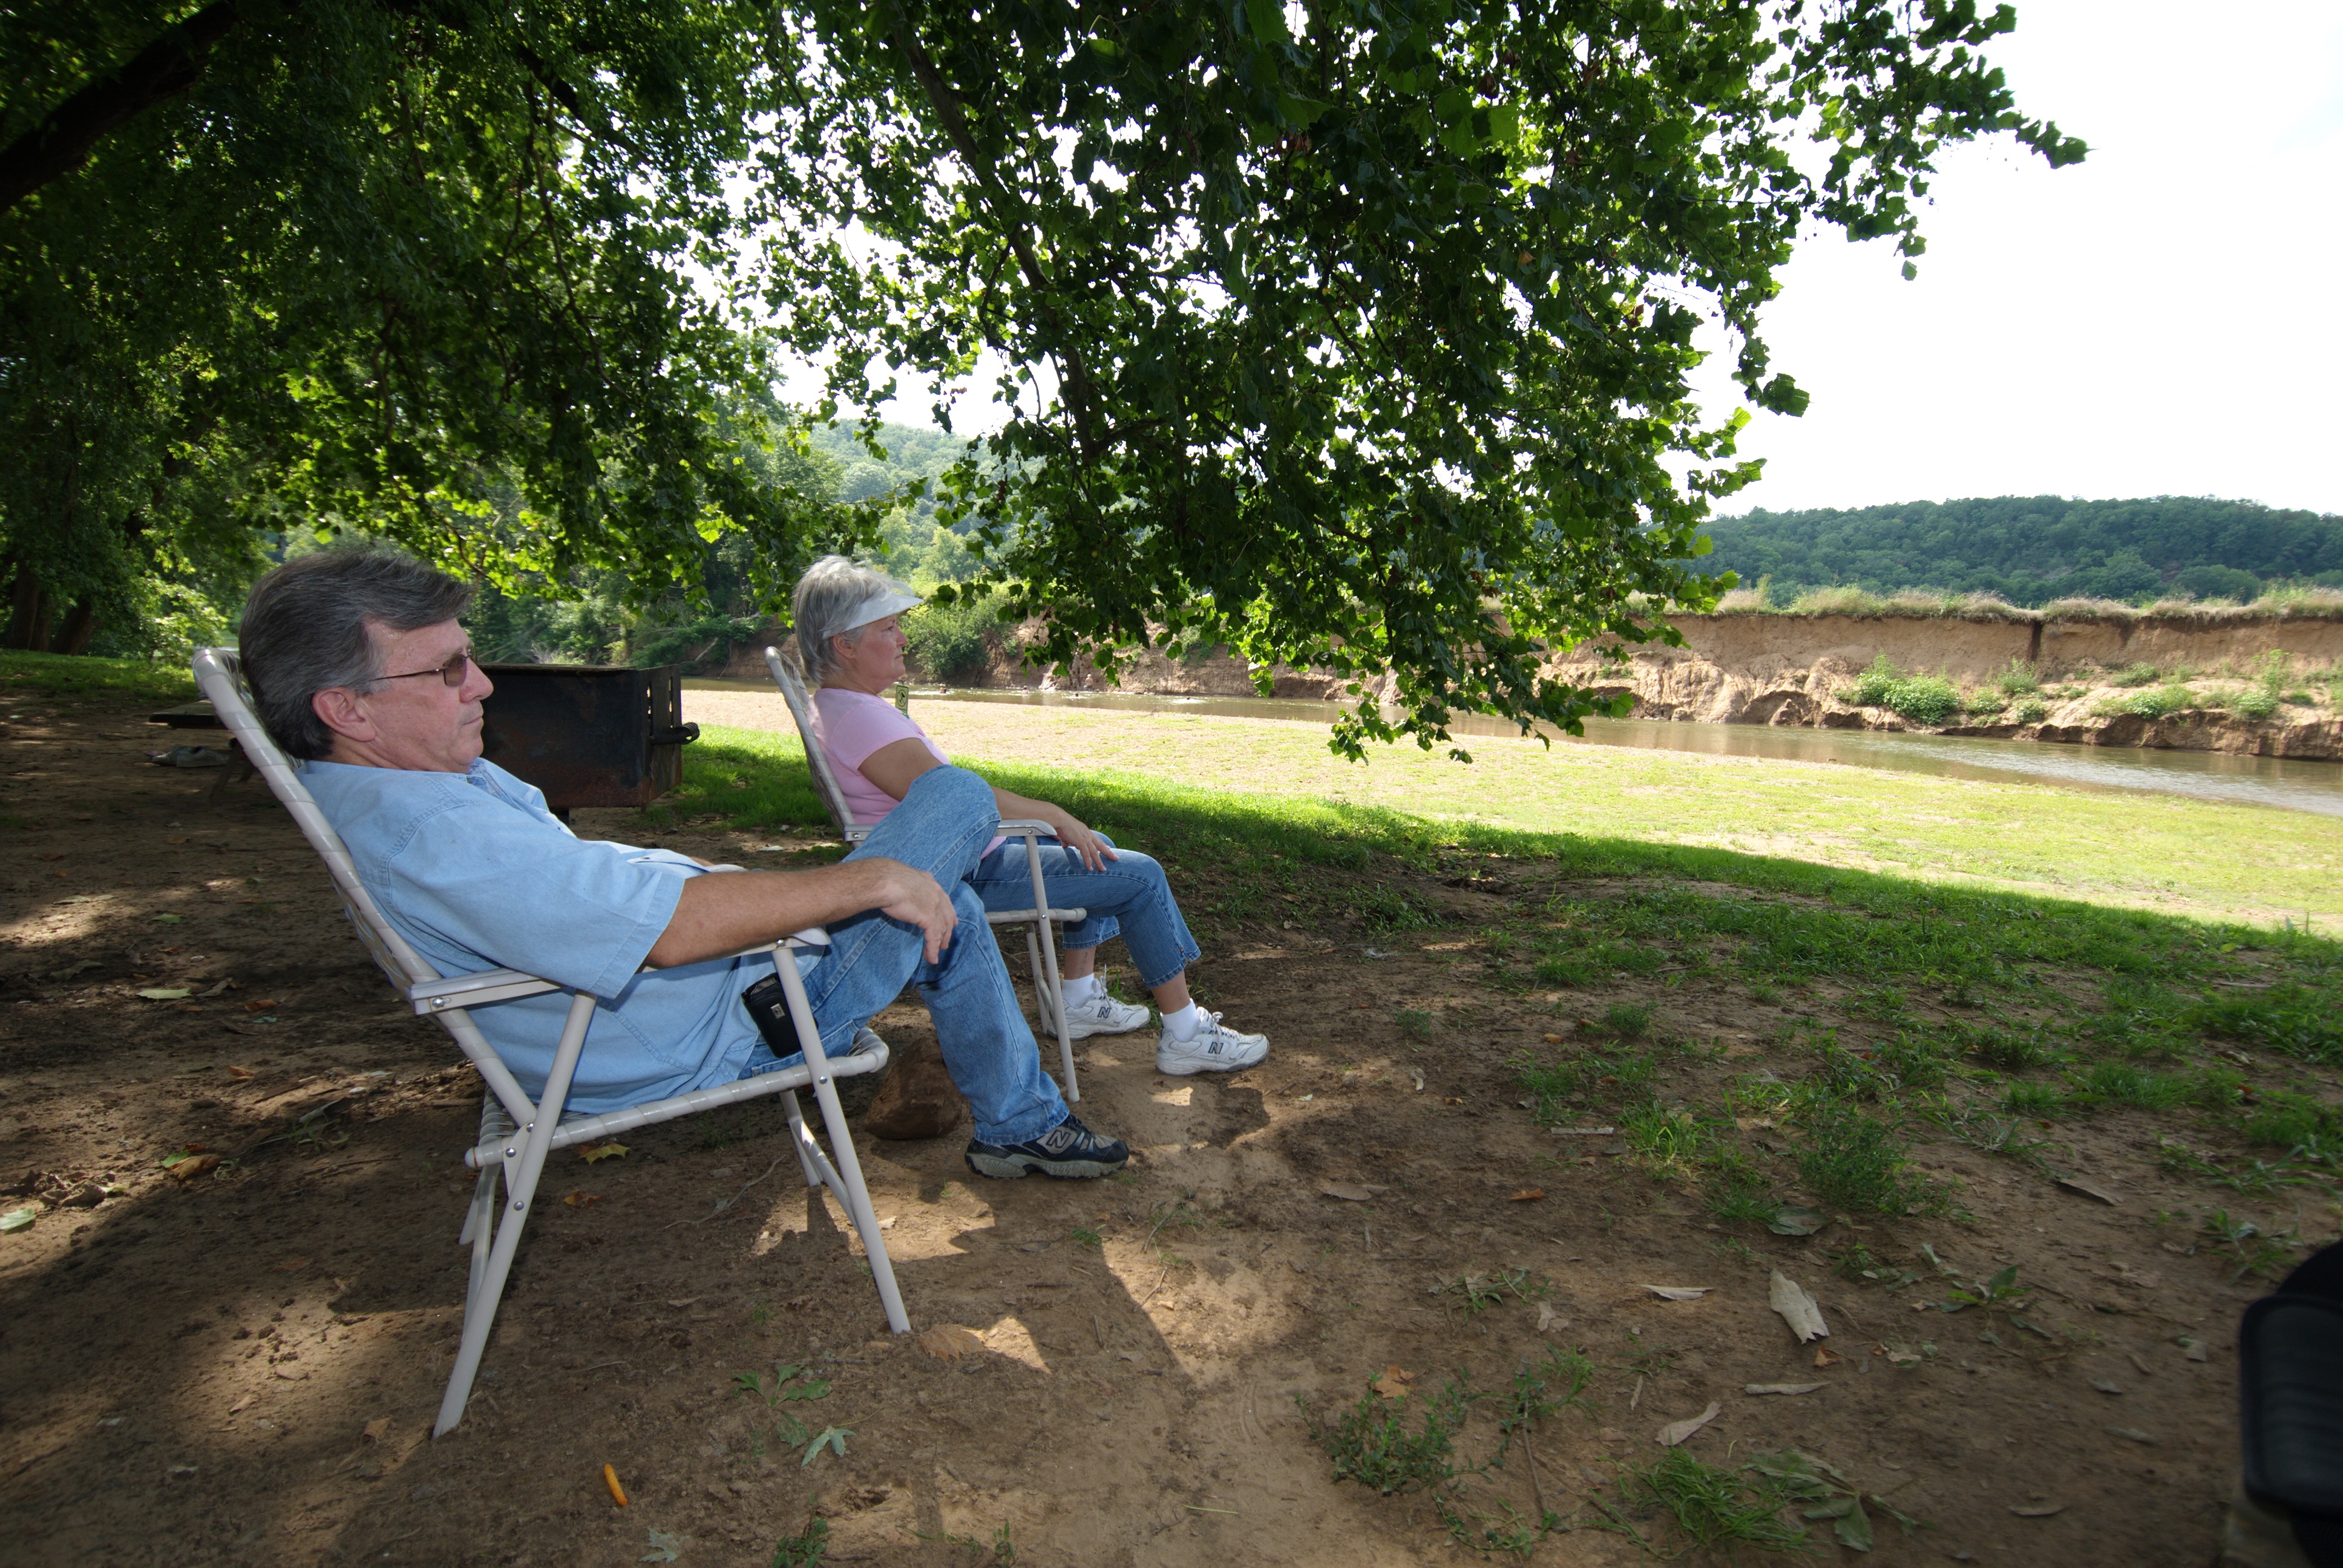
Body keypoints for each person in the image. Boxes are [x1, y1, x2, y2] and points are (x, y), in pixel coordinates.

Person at [235, 545, 1129, 1181]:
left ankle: (1020, 1125)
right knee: (959, 802)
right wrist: (870, 877)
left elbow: (609, 901)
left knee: (945, 906)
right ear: (346, 710)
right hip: (733, 1024)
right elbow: (667, 935)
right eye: (447, 670)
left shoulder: (410, 792)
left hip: (711, 998)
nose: (483, 684)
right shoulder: (430, 834)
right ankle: (1023, 1124)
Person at [791, 555, 1270, 1077]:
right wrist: (1051, 812)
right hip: (962, 874)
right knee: (1140, 876)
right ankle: (1185, 1034)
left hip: (956, 859)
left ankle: (1079, 1000)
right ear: (845, 644)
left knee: (1096, 844)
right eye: (889, 627)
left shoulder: (844, 707)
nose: (903, 638)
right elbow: (955, 798)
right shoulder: (860, 717)